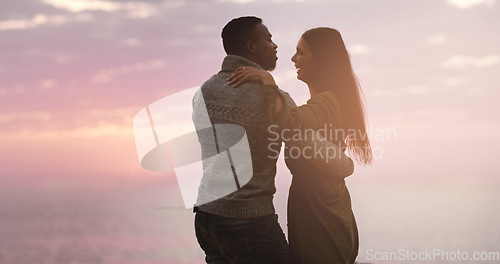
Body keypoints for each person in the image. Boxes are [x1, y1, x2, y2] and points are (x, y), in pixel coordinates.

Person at [227, 27, 373, 264]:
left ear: (321, 59)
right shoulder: (323, 102)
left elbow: (288, 123)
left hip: (320, 212)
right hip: (318, 206)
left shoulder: (327, 101)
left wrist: (267, 80)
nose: (294, 59)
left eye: (301, 53)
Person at [191, 16, 291, 264]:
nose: (275, 45)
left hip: (206, 218)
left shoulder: (203, 91)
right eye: (269, 39)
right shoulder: (274, 97)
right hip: (249, 219)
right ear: (251, 47)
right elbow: (297, 137)